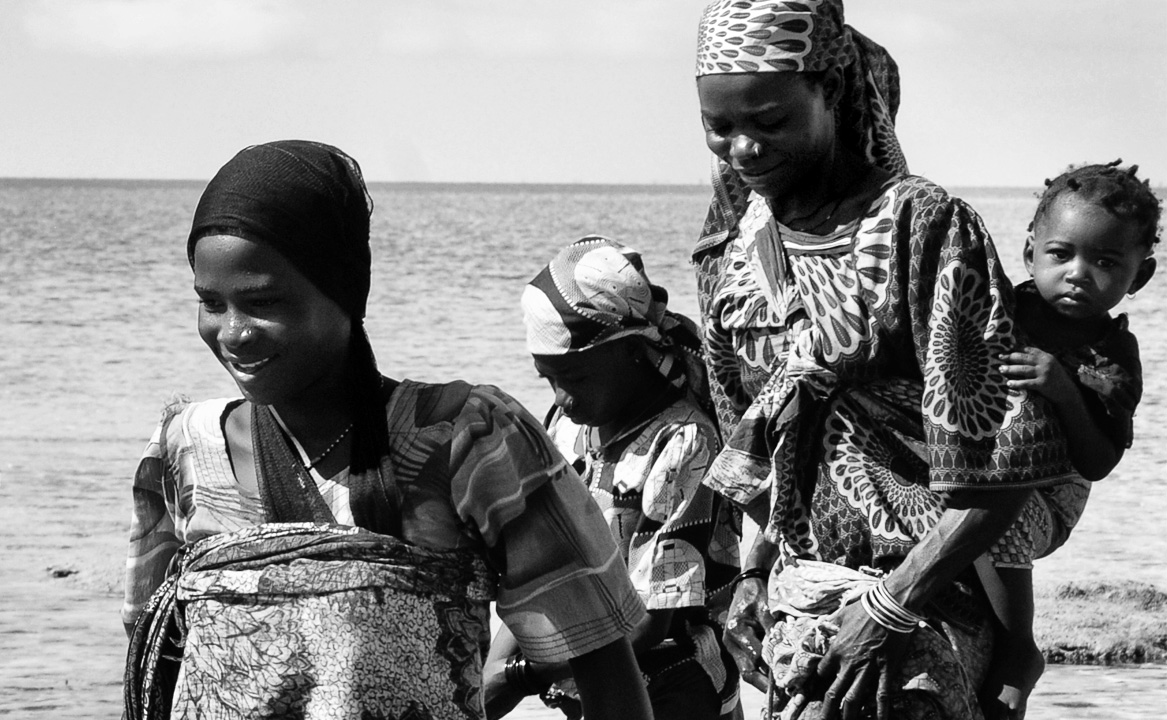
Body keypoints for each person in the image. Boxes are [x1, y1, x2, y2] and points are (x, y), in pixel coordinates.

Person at [120, 140, 653, 720]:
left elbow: (601, 661)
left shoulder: (469, 441)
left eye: (263, 302)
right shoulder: (186, 448)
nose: (233, 332)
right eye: (210, 302)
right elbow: (154, 657)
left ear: (345, 292)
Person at [691, 2, 1079, 718]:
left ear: (831, 94)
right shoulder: (730, 257)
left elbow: (997, 465)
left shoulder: (920, 227)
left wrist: (891, 605)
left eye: (768, 121)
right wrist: (752, 584)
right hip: (801, 618)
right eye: (720, 127)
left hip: (926, 609)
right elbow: (750, 445)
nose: (742, 148)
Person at [484, 235, 742, 720]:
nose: (562, 397)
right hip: (588, 674)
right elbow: (546, 570)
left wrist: (522, 676)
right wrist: (491, 678)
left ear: (630, 352)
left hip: (674, 686)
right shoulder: (567, 429)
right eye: (548, 378)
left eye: (575, 379)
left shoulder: (683, 441)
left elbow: (653, 621)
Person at [977, 160, 1159, 718]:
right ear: (1030, 251)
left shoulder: (1112, 356)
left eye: (1106, 262)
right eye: (1062, 254)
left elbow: (1100, 461)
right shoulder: (1004, 309)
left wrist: (1063, 389)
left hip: (1051, 495)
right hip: (984, 469)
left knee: (990, 517)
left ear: (1141, 276)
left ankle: (1019, 652)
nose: (1079, 273)